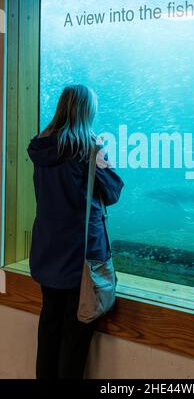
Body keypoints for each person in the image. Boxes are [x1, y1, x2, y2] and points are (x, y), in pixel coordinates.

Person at [27, 84, 124, 379]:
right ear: (86, 112)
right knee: (76, 337)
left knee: (49, 329)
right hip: (82, 258)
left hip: (47, 253)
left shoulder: (41, 147)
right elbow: (113, 192)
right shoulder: (89, 149)